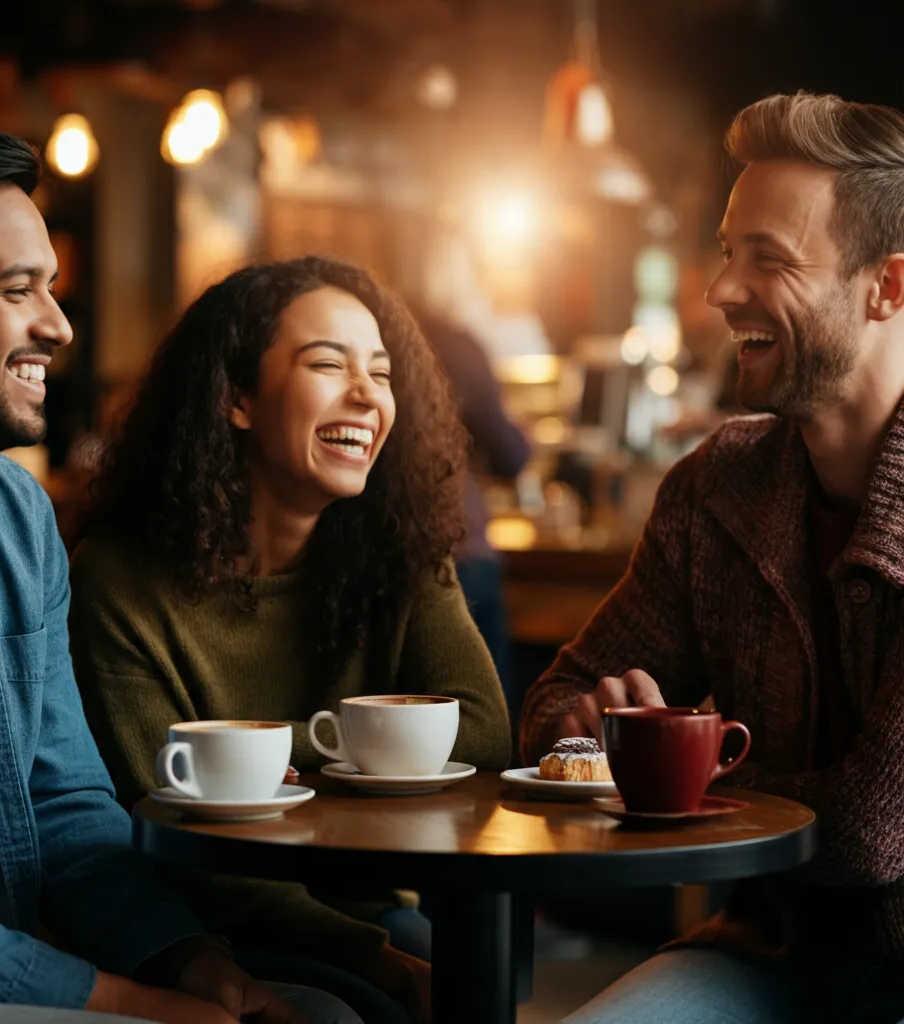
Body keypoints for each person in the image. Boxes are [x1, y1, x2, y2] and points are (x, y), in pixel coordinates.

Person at [0, 123, 361, 1024]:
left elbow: (64, 803)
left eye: (52, 288)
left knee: (320, 1014)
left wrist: (187, 963)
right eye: (16, 289)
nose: (57, 325)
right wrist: (118, 999)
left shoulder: (16, 525)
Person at [521, 92, 904, 1024]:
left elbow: (872, 830)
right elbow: (545, 717)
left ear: (887, 286)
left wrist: (677, 775)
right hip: (773, 957)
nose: (720, 290)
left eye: (767, 259)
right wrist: (586, 728)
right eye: (728, 252)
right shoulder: (718, 484)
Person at [67, 257, 513, 1023]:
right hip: (194, 925)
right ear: (236, 397)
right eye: (328, 364)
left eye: (381, 371)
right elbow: (163, 818)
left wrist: (258, 754)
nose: (368, 394)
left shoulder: (399, 553)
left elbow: (483, 730)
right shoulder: (120, 580)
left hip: (363, 903)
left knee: (468, 971)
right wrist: (373, 955)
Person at [415, 308, 530, 710]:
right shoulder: (454, 342)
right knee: (486, 712)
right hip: (463, 546)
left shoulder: (367, 333)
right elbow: (511, 454)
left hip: (383, 549)